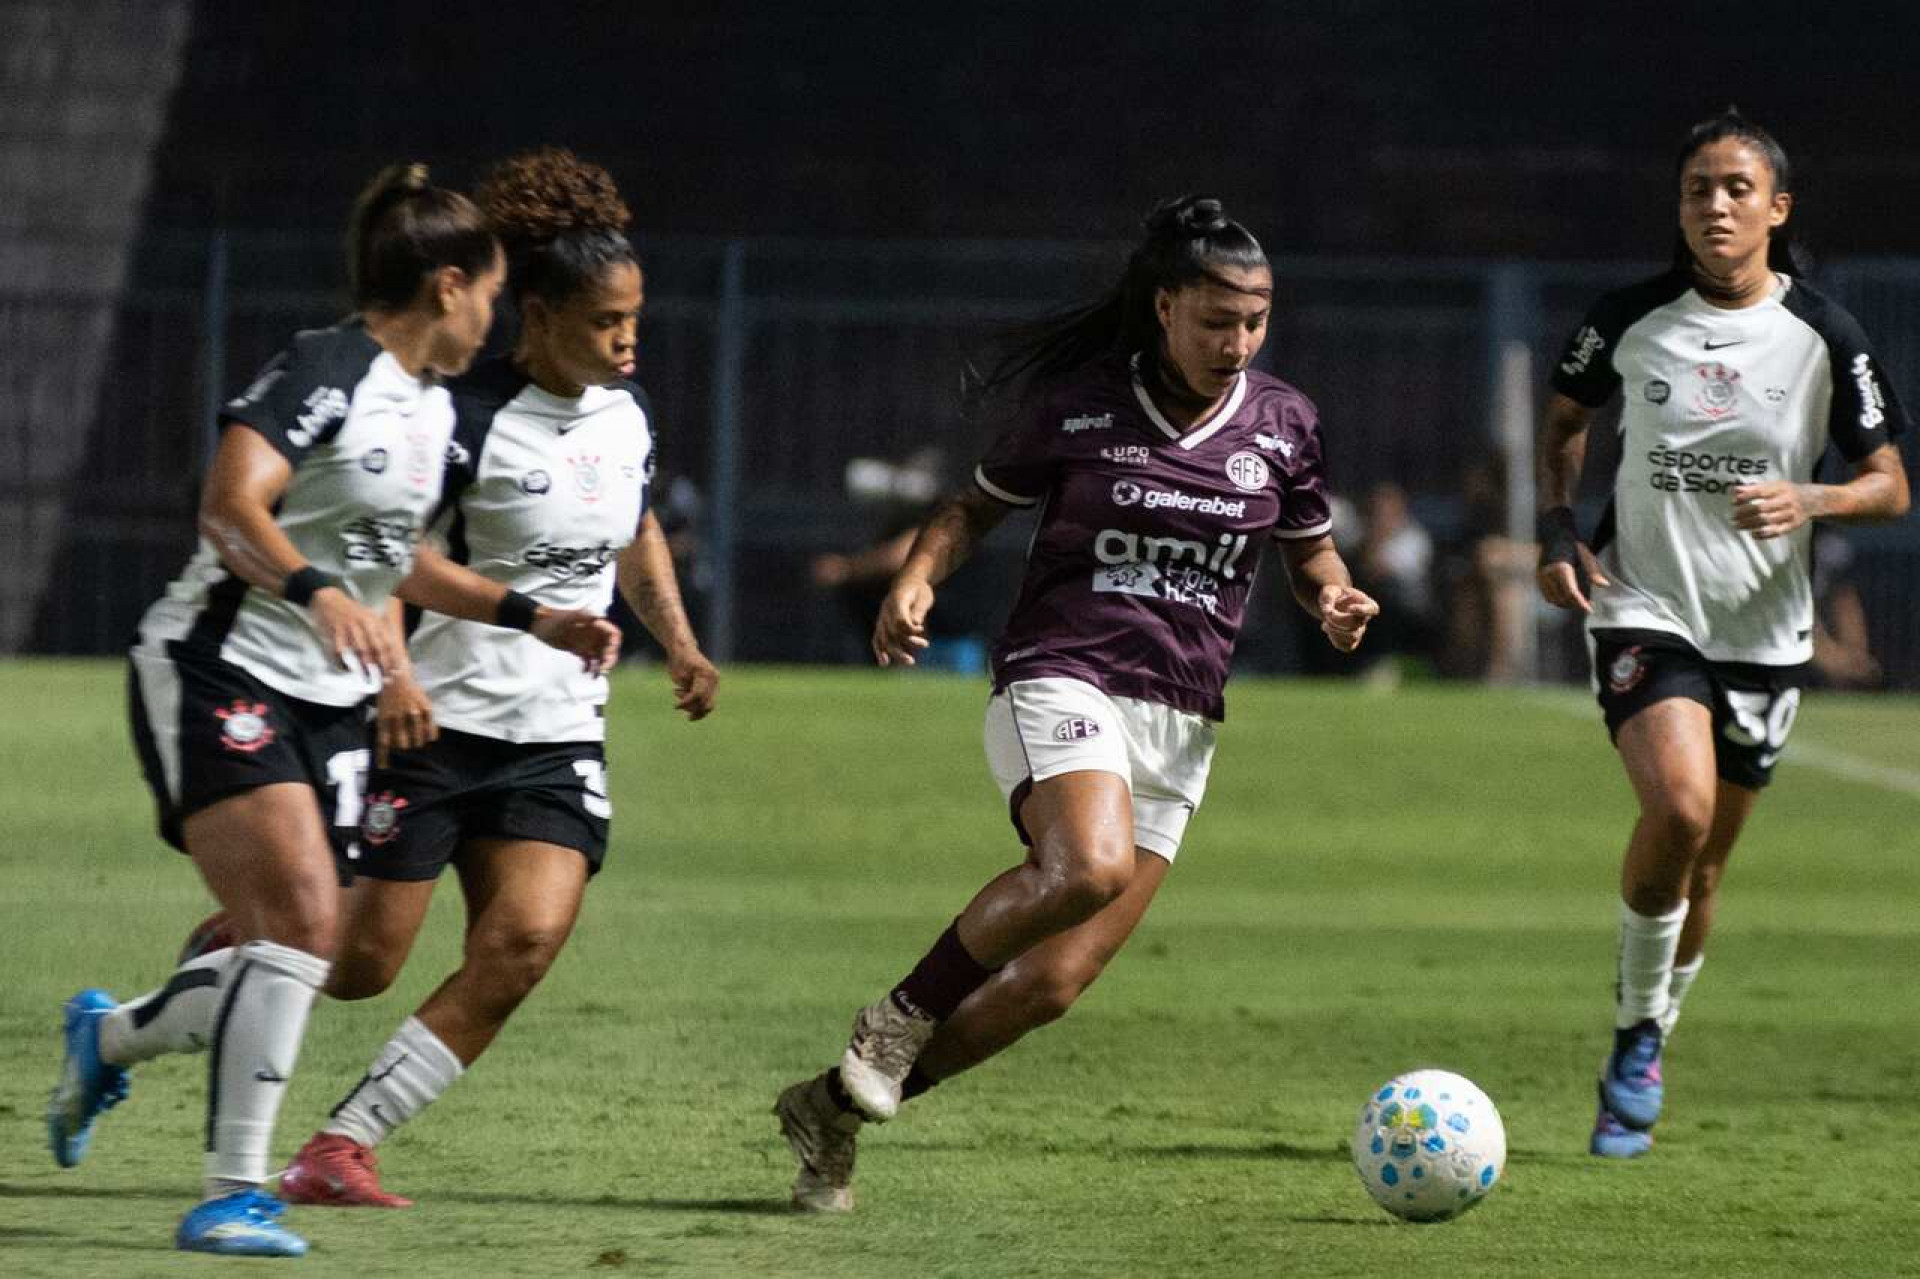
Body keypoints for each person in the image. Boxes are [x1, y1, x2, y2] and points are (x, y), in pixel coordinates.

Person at [47, 164, 616, 1258]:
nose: (493, 315)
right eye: (490, 294)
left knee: (317, 950)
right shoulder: (326, 367)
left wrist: (526, 614)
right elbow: (230, 506)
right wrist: (313, 593)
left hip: (329, 701)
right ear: (448, 286)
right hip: (218, 666)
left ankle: (110, 1039)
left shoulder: (432, 411)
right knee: (305, 923)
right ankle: (232, 1193)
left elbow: (389, 559)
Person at [773, 195, 1379, 1212]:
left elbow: (1309, 546)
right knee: (1085, 865)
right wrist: (917, 577)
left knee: (1051, 985)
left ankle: (833, 1108)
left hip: (1184, 721)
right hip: (1065, 672)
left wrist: (1334, 595)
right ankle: (893, 1020)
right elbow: (972, 507)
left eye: (1256, 321)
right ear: (1165, 306)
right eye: (1217, 319)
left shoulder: (1285, 424)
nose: (1238, 342)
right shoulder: (1080, 404)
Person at [275, 147, 719, 1207]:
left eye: (637, 318)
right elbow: (379, 547)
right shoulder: (457, 416)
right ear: (539, 311)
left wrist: (680, 635)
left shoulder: (630, 413)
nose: (628, 338)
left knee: (522, 939)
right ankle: (204, 967)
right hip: (428, 723)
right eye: (609, 320)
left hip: (554, 732)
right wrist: (390, 673)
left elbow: (636, 528)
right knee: (359, 963)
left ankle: (343, 1143)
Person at [1535, 110, 1910, 1160]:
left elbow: (1890, 486)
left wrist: (1811, 499)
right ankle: (1640, 1034)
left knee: (1703, 870)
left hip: (1767, 632)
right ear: (1681, 208)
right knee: (1680, 805)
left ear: (1777, 209)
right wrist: (1559, 526)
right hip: (1645, 603)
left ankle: (1640, 1035)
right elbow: (1563, 421)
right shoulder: (1628, 320)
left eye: (1738, 188)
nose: (1716, 205)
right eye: (1699, 187)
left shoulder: (1827, 335)